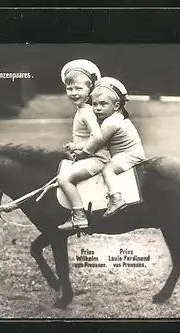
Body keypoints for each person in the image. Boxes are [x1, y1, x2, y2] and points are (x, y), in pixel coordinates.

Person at [56, 60, 111, 231]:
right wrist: (74, 146)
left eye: (78, 88)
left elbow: (97, 136)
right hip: (91, 155)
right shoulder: (82, 108)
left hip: (97, 158)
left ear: (90, 89)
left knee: (63, 179)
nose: (73, 93)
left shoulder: (86, 110)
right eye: (69, 88)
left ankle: (79, 215)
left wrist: (83, 151)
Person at [90, 77, 146, 218]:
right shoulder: (116, 117)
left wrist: (78, 149)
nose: (97, 108)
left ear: (116, 106)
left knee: (108, 169)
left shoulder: (111, 122)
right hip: (127, 153)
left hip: (129, 154)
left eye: (103, 104)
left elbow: (95, 143)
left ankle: (116, 199)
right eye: (94, 104)